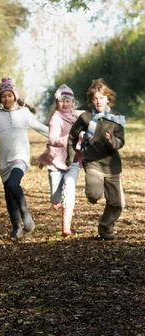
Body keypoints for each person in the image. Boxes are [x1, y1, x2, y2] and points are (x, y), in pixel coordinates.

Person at [0, 77, 49, 240]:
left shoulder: (24, 113)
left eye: (9, 95)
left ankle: (25, 214)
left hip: (21, 157)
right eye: (3, 96)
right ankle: (16, 227)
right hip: (4, 160)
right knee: (8, 194)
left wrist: (59, 134)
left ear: (15, 96)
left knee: (13, 184)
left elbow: (39, 127)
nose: (7, 99)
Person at [66, 78, 126, 241]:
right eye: (94, 98)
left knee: (117, 204)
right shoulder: (85, 118)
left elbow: (120, 141)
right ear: (90, 101)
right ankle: (93, 194)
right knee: (94, 194)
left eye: (101, 97)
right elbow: (72, 136)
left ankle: (105, 227)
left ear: (108, 98)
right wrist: (70, 156)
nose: (98, 101)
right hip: (92, 162)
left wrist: (112, 141)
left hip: (112, 166)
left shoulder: (116, 118)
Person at [38, 84, 83, 237]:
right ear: (56, 103)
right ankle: (55, 200)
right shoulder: (55, 119)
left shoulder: (77, 116)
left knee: (70, 189)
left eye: (68, 100)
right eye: (61, 101)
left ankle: (66, 227)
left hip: (73, 160)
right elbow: (53, 138)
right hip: (56, 161)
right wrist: (68, 139)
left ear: (73, 102)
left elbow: (91, 117)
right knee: (55, 195)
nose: (65, 104)